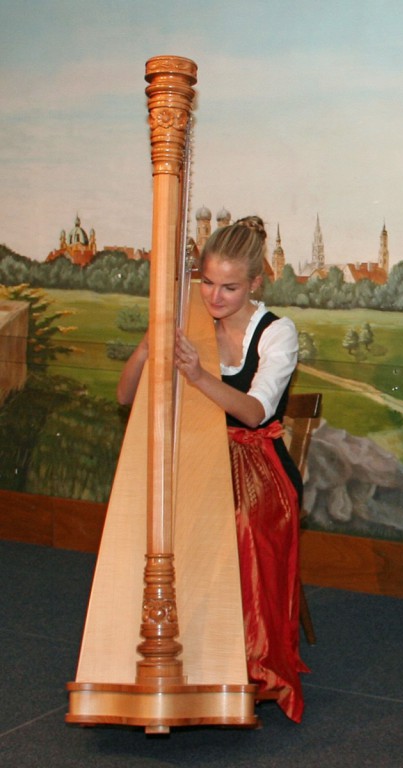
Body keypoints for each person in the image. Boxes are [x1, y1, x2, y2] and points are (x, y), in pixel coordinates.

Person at [117, 215, 307, 723]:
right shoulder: (187, 318)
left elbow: (253, 411)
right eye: (207, 283)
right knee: (153, 516)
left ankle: (248, 659)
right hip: (198, 454)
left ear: (255, 284)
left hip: (257, 462)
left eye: (229, 287)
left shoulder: (277, 333)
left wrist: (197, 374)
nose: (215, 298)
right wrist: (147, 344)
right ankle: (174, 646)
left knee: (240, 521)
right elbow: (125, 395)